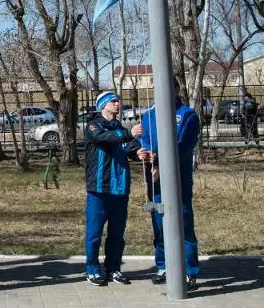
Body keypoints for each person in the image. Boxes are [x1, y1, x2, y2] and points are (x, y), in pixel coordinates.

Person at [137, 77, 201, 290]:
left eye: (167, 88)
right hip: (155, 181)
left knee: (183, 223)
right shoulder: (149, 116)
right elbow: (145, 140)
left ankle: (189, 271)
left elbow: (183, 147)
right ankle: (163, 265)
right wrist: (147, 154)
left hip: (178, 180)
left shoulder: (187, 115)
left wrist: (162, 161)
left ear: (176, 89)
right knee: (159, 222)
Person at [83, 91, 142, 286]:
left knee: (117, 234)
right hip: (99, 190)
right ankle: (92, 269)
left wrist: (139, 153)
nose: (118, 103)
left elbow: (130, 147)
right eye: (113, 101)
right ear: (103, 106)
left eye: (118, 101)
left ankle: (113, 269)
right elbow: (105, 138)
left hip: (120, 189)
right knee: (94, 234)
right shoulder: (93, 125)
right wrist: (128, 134)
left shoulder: (120, 128)